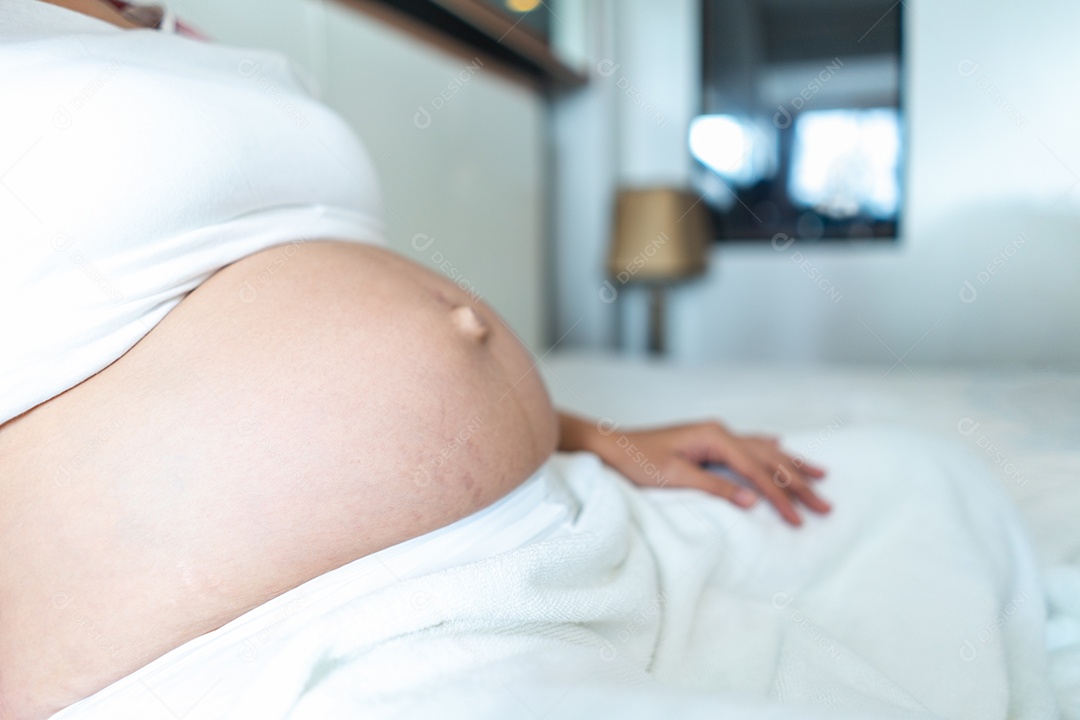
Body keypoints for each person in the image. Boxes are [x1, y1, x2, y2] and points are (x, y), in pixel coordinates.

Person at [0, 1, 829, 717]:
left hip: (537, 526)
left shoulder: (191, 41)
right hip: (272, 632)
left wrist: (606, 438)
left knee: (906, 483)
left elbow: (295, 306)